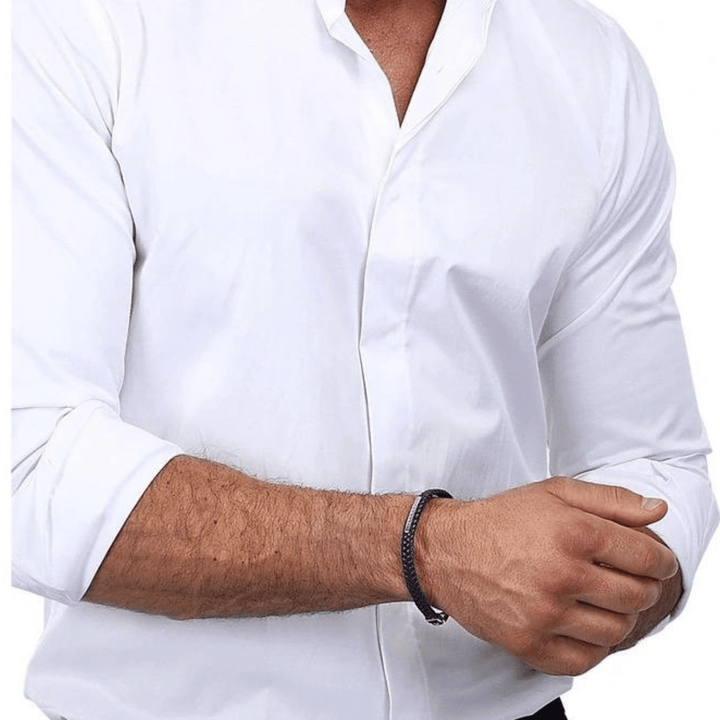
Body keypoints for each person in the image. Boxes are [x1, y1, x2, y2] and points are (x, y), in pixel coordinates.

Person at [11, 0, 718, 719]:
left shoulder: (589, 64)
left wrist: (610, 579)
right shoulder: (87, 23)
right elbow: (29, 468)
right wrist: (428, 550)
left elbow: (654, 463)